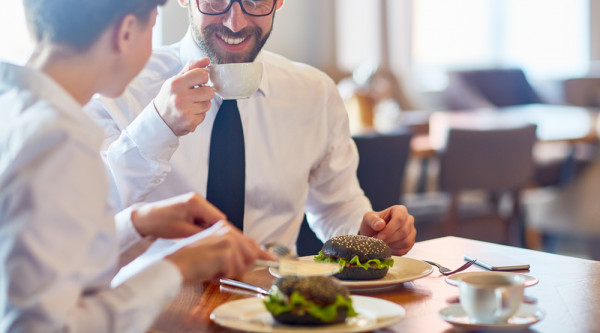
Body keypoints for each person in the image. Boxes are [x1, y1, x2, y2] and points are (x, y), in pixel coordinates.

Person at [0, 0, 272, 331]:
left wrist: (137, 223)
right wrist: (178, 267)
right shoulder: (59, 139)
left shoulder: (14, 105)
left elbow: (43, 258)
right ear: (127, 31)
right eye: (153, 24)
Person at [86, 0, 416, 255]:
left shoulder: (314, 93)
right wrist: (158, 125)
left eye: (255, 1)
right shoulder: (117, 87)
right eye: (216, 1)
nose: (236, 22)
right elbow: (89, 213)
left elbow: (337, 204)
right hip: (154, 311)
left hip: (274, 307)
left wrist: (369, 230)